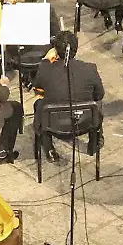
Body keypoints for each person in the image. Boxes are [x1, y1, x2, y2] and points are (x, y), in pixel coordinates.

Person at [30, 31, 104, 160]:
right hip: (83, 122)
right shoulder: (90, 69)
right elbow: (100, 95)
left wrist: (48, 60)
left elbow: (37, 89)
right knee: (97, 106)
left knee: (39, 104)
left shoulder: (45, 68)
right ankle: (94, 143)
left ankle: (48, 147)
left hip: (52, 124)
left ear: (55, 50)